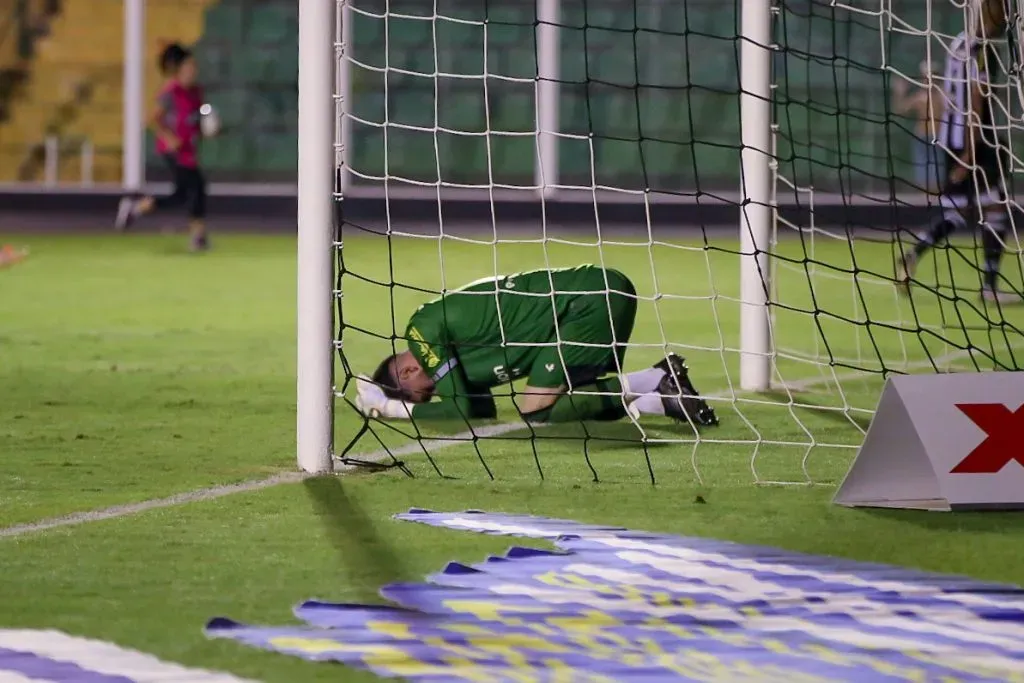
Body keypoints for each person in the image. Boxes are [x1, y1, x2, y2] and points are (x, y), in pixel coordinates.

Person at [355, 265, 720, 428]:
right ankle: (662, 395)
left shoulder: (421, 332)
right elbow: (480, 411)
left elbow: (461, 409)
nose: (434, 392)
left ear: (407, 370)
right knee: (571, 402)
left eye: (421, 393)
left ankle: (657, 378)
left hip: (584, 303)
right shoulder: (452, 354)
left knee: (536, 410)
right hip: (596, 296)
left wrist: (390, 409)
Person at [897, 0, 1018, 304]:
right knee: (997, 208)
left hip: (953, 140)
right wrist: (970, 155)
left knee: (959, 211)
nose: (1006, 15)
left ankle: (914, 252)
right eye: (1001, 9)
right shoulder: (984, 51)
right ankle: (989, 287)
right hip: (977, 141)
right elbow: (976, 105)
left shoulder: (959, 43)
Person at [115, 42, 210, 252]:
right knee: (196, 187)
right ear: (178, 70)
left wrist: (207, 128)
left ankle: (136, 208)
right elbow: (152, 119)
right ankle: (198, 235)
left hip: (188, 149)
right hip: (173, 151)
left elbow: (197, 118)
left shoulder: (196, 92)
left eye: (194, 67)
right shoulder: (170, 93)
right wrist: (168, 137)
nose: (192, 71)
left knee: (182, 194)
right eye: (188, 67)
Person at [891, 60, 946, 192]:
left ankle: (935, 195)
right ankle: (926, 194)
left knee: (938, 168)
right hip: (921, 136)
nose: (927, 79)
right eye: (925, 76)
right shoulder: (921, 96)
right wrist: (899, 92)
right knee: (923, 168)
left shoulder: (942, 95)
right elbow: (900, 110)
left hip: (938, 137)